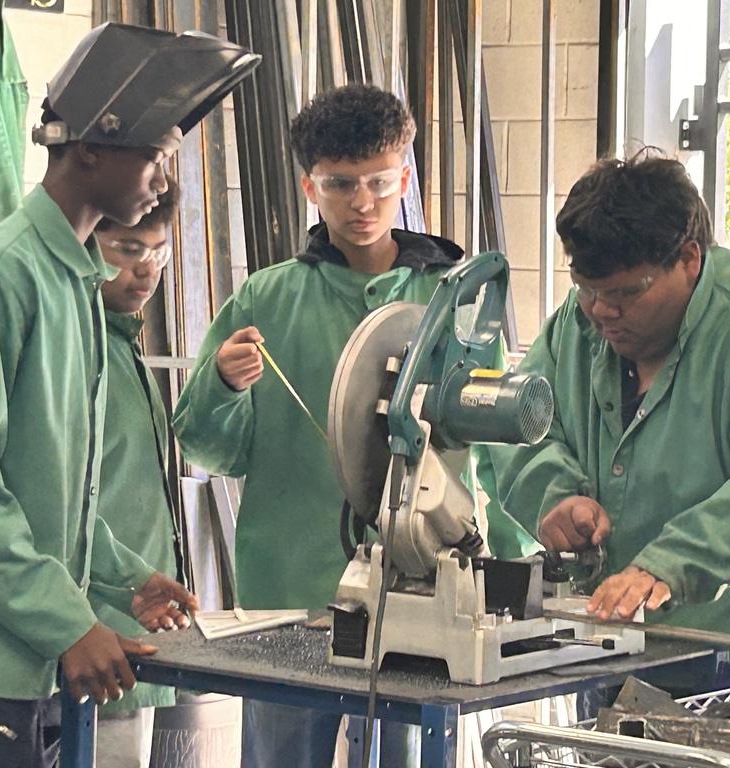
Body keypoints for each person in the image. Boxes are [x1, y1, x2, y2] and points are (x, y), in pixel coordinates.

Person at [0, 23, 257, 767]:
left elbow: (55, 491)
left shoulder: (73, 281)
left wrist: (124, 576)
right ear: (90, 146)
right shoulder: (0, 277)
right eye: (155, 155)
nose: (160, 177)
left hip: (24, 660)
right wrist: (64, 622)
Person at [174, 83, 492, 767]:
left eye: (379, 182)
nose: (362, 202)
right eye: (340, 184)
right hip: (292, 588)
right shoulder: (268, 297)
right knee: (284, 753)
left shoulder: (452, 301)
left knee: (410, 754)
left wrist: (506, 569)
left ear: (404, 176)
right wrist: (224, 385)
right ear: (309, 185)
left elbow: (490, 449)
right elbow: (212, 448)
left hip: (422, 584)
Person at [474, 151, 730, 662]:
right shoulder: (578, 323)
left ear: (690, 258)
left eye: (626, 292)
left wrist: (674, 561)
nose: (603, 310)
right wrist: (555, 498)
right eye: (586, 289)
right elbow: (523, 420)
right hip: (612, 648)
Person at [92, 179, 182, 768]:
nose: (146, 269)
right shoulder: (72, 346)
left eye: (158, 249)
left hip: (133, 629)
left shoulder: (124, 345)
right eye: (127, 249)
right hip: (85, 641)